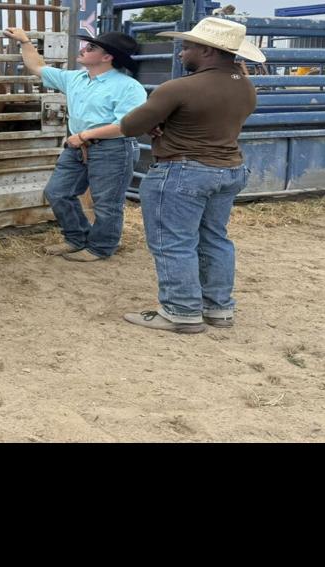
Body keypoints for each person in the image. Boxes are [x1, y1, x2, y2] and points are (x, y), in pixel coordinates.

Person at [117, 17, 262, 333]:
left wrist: (160, 124)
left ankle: (180, 310)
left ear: (208, 51)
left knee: (173, 242)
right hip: (228, 168)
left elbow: (129, 125)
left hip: (182, 171)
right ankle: (218, 307)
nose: (181, 54)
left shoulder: (179, 88)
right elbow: (208, 121)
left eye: (187, 47)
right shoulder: (245, 85)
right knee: (215, 239)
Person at [4, 26, 145, 262]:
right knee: (57, 192)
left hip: (112, 148)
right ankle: (77, 238)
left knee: (107, 203)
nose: (83, 48)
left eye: (91, 47)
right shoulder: (76, 78)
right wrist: (25, 42)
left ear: (107, 57)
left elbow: (127, 125)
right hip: (78, 146)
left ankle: (101, 247)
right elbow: (37, 67)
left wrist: (84, 136)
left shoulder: (129, 87)